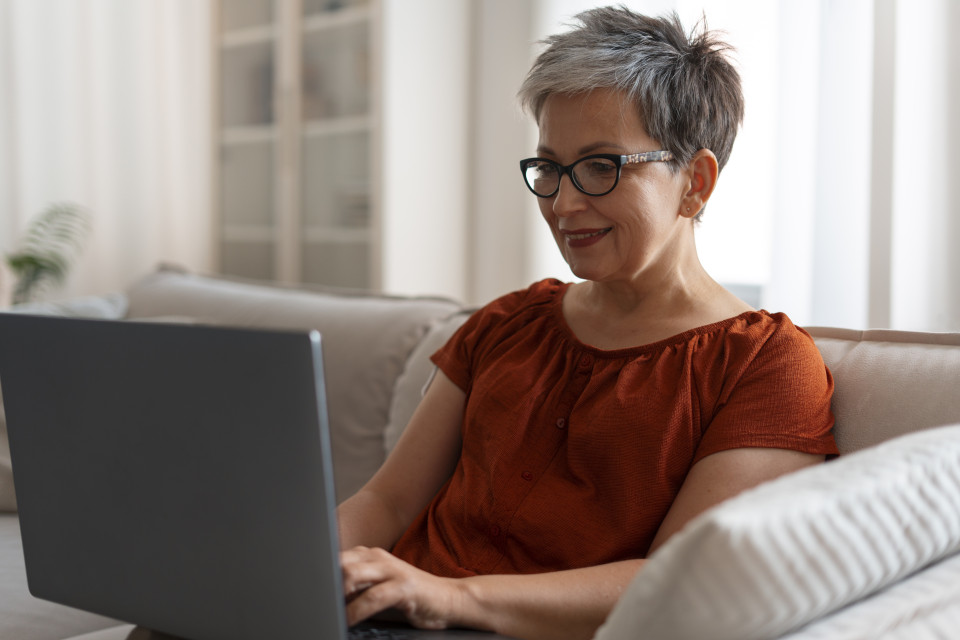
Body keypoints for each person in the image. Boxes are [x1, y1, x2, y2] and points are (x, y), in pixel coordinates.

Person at [337, 7, 838, 640]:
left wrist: (452, 597)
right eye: (548, 167)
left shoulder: (763, 364)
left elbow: (683, 585)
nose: (564, 203)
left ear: (697, 182)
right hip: (385, 617)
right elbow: (385, 502)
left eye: (602, 166)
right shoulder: (508, 324)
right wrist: (297, 565)